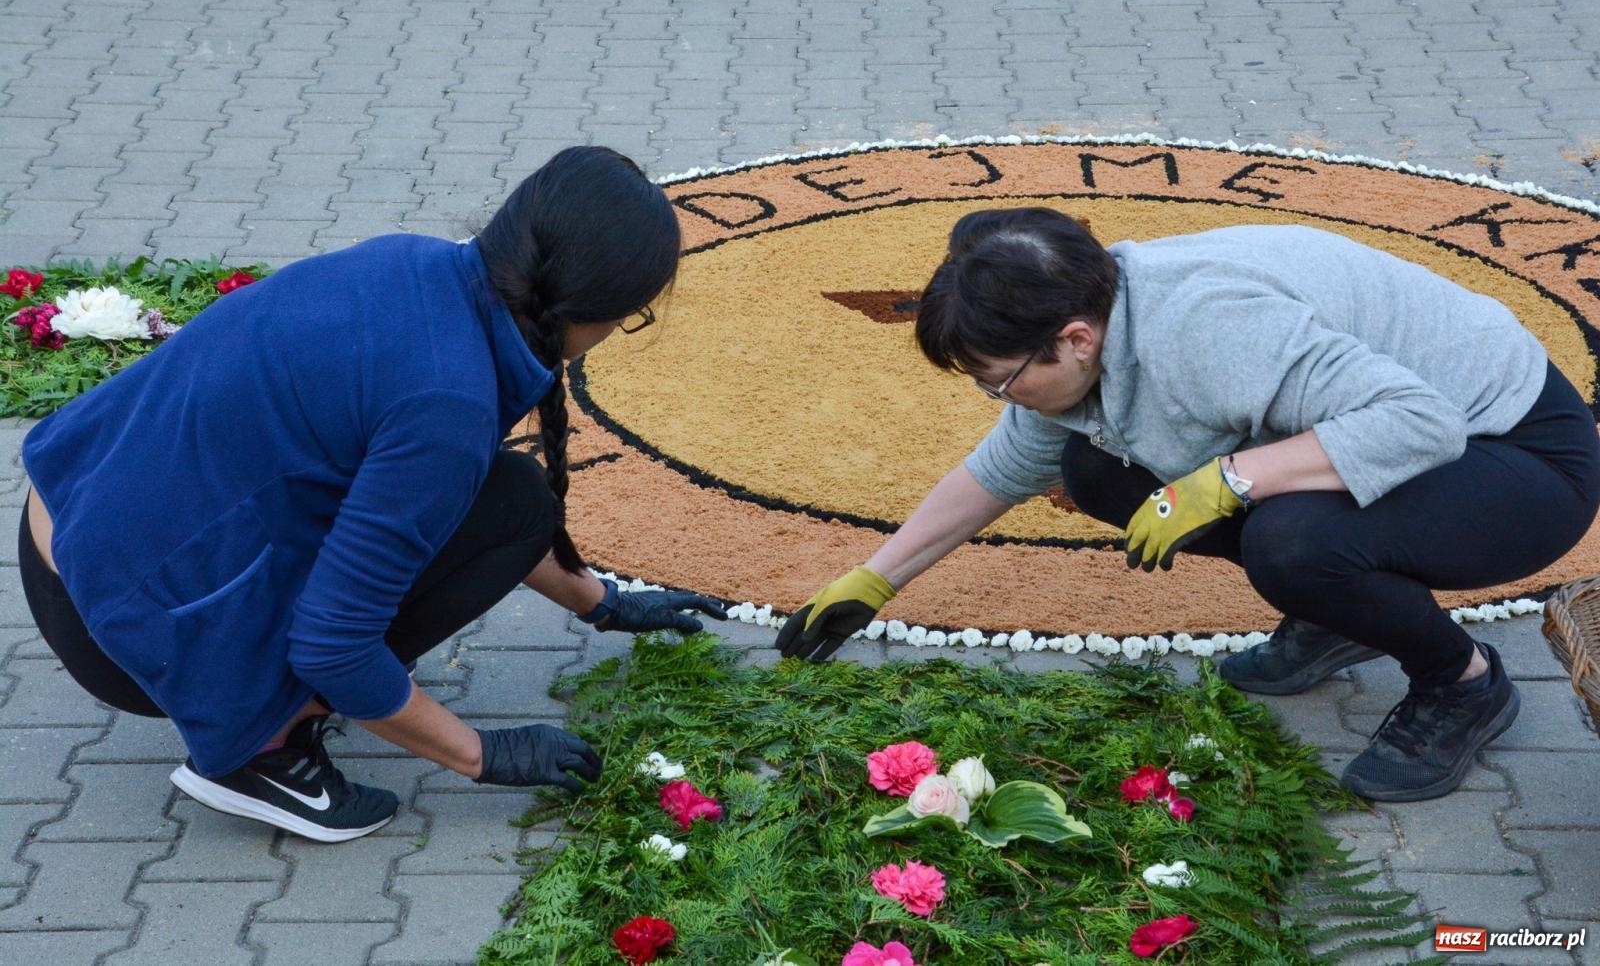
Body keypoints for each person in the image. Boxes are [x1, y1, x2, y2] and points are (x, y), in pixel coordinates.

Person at [18, 146, 726, 842]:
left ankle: (258, 687)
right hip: (112, 625)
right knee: (479, 530)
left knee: (513, 503)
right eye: (627, 318)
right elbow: (333, 645)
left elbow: (465, 499)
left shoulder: (420, 268)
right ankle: (265, 751)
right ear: (589, 309)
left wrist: (601, 603)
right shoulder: (447, 402)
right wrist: (483, 755)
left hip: (68, 511)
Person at [777, 207, 1600, 803]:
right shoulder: (1096, 322)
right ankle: (1344, 613)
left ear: (1075, 338)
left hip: (1519, 458)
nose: (1000, 395)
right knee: (1094, 471)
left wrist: (1226, 480)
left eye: (1000, 375)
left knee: (1292, 542)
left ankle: (1462, 682)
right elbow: (1001, 470)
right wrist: (875, 580)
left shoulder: (1204, 328)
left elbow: (1422, 422)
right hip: (1409, 442)